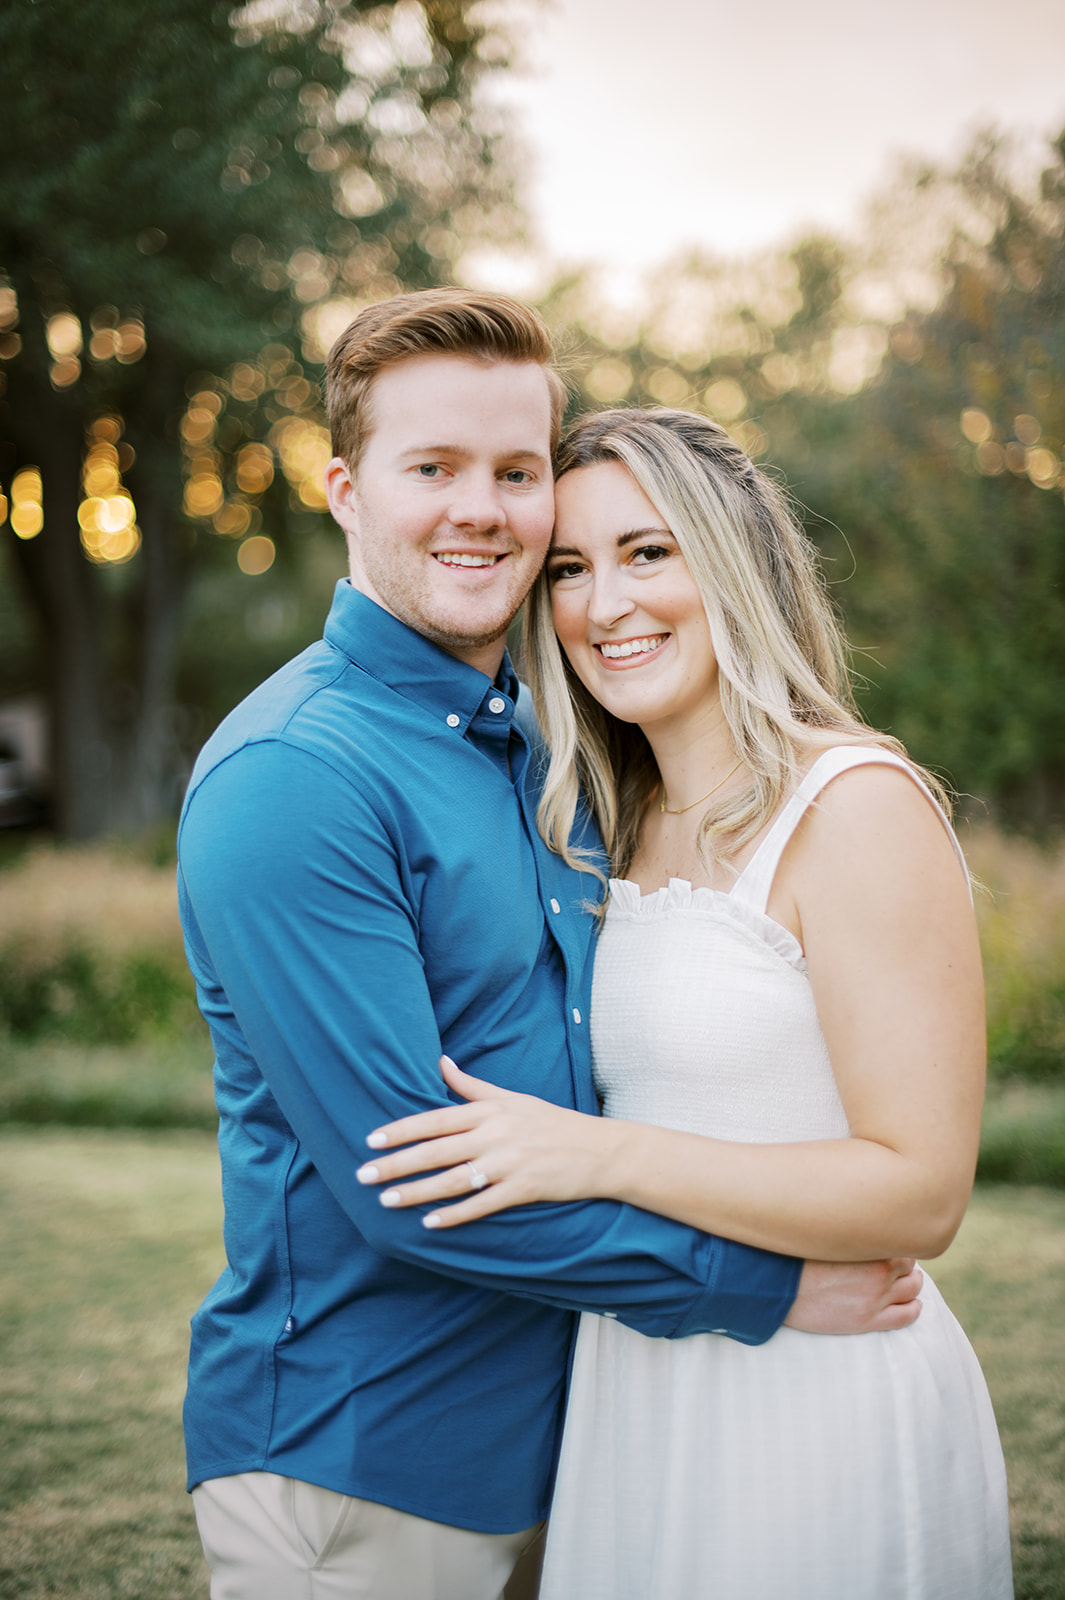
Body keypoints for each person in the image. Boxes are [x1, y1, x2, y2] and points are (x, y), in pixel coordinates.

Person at [178, 293, 922, 1600]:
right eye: (434, 469)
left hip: (580, 1443)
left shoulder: (537, 745)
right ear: (345, 489)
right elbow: (413, 1180)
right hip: (362, 1461)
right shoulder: (297, 775)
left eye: (517, 472)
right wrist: (756, 1286)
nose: (483, 509)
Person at [355, 406, 1014, 1598]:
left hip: (821, 1393)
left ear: (735, 563)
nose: (605, 605)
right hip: (640, 1385)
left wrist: (600, 1155)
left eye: (647, 552)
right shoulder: (595, 828)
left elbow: (920, 1190)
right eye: (569, 568)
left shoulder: (853, 806)